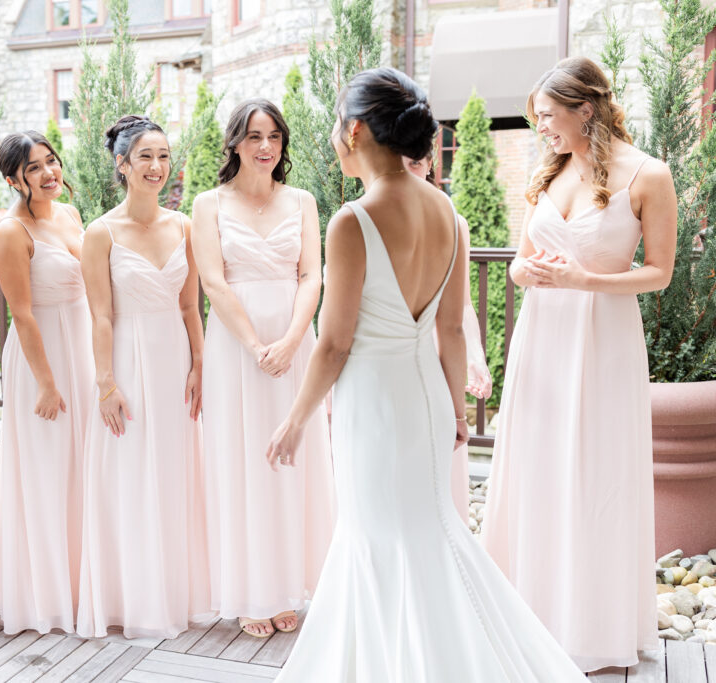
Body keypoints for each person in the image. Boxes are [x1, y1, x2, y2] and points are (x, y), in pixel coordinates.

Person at [266, 67, 585, 681]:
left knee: (379, 543)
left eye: (337, 126)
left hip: (376, 406)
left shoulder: (352, 221)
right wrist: (458, 411)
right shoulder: (450, 215)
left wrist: (294, 419)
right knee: (429, 537)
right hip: (428, 405)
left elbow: (332, 345)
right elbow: (449, 330)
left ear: (355, 131)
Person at [481, 56, 675, 671]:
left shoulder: (649, 175)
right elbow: (519, 260)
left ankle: (590, 627)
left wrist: (586, 278)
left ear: (583, 108)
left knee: (596, 475)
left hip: (603, 339)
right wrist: (524, 270)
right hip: (542, 339)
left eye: (546, 115)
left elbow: (660, 273)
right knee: (536, 469)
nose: (539, 126)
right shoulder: (551, 171)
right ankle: (527, 616)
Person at [191, 99, 335, 638]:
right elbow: (213, 282)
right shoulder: (208, 204)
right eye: (254, 136)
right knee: (243, 462)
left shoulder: (302, 201)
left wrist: (294, 340)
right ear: (235, 143)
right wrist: (255, 346)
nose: (266, 146)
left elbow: (311, 277)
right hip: (236, 346)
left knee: (292, 463)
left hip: (295, 340)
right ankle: (250, 590)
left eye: (274, 136)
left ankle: (287, 586)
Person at [77, 115, 210, 639]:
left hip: (173, 360)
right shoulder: (100, 232)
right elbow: (100, 315)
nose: (157, 166)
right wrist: (106, 384)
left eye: (163, 156)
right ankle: (130, 596)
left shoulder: (184, 226)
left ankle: (174, 590)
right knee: (130, 475)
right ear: (123, 165)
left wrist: (200, 363)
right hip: (128, 362)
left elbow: (190, 305)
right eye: (145, 157)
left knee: (173, 472)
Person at [0, 131, 92, 635]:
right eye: (34, 168)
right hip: (42, 358)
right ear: (14, 179)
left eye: (51, 161)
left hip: (81, 346)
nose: (49, 172)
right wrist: (47, 384)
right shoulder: (12, 231)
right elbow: (23, 317)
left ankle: (82, 583)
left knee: (82, 467)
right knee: (49, 470)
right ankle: (46, 594)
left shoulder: (70, 216)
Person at [403, 151, 492, 519]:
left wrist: (476, 355)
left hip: (437, 344)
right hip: (390, 347)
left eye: (419, 162)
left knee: (438, 449)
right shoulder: (367, 217)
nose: (411, 169)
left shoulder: (454, 222)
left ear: (429, 166)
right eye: (403, 160)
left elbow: (463, 305)